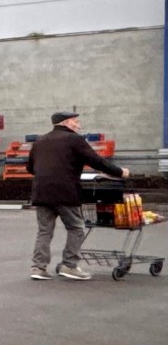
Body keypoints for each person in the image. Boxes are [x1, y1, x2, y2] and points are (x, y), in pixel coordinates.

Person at [26, 111, 127, 281]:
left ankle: (38, 267)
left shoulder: (40, 141)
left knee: (44, 231)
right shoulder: (75, 140)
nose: (78, 125)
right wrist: (120, 172)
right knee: (76, 228)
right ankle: (69, 265)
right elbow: (96, 161)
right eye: (76, 121)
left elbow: (30, 167)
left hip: (41, 192)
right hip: (66, 192)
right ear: (66, 123)